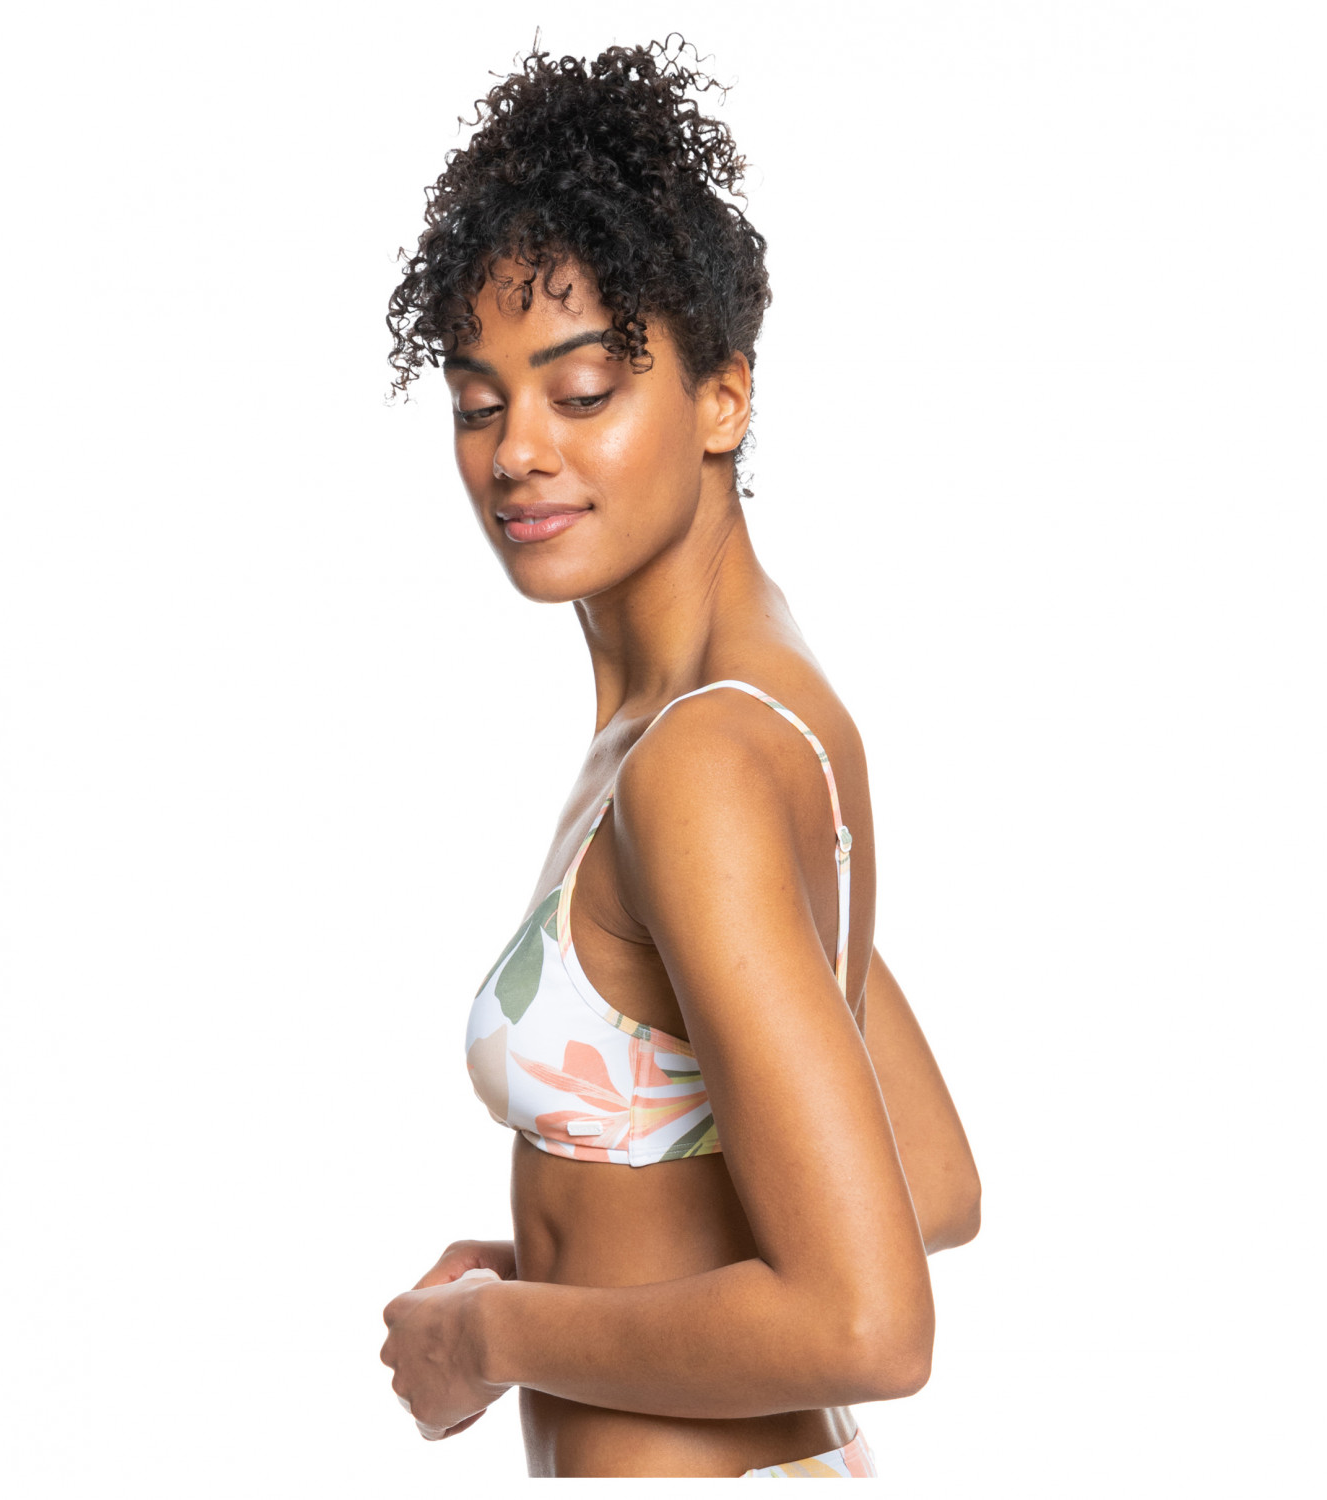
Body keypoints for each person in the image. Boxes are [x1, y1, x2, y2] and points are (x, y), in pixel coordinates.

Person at [378, 36, 982, 1478]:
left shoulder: (702, 762)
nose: (518, 451)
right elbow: (930, 1180)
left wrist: (497, 1334)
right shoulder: (728, 715)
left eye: (582, 391)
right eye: (479, 402)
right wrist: (557, 1261)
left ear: (723, 397)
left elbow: (871, 1323)